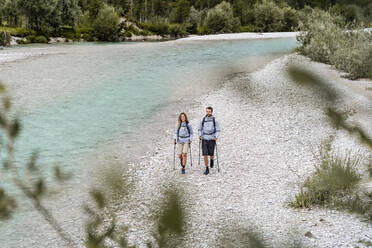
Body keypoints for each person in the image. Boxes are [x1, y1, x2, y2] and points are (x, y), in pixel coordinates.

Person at [198, 106, 221, 175]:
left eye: (209, 111)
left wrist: (216, 136)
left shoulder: (215, 120)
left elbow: (218, 130)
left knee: (211, 153)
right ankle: (207, 168)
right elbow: (199, 129)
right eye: (207, 111)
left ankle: (211, 159)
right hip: (204, 138)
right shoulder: (203, 120)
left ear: (211, 112)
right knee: (205, 154)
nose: (208, 113)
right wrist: (200, 135)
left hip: (211, 138)